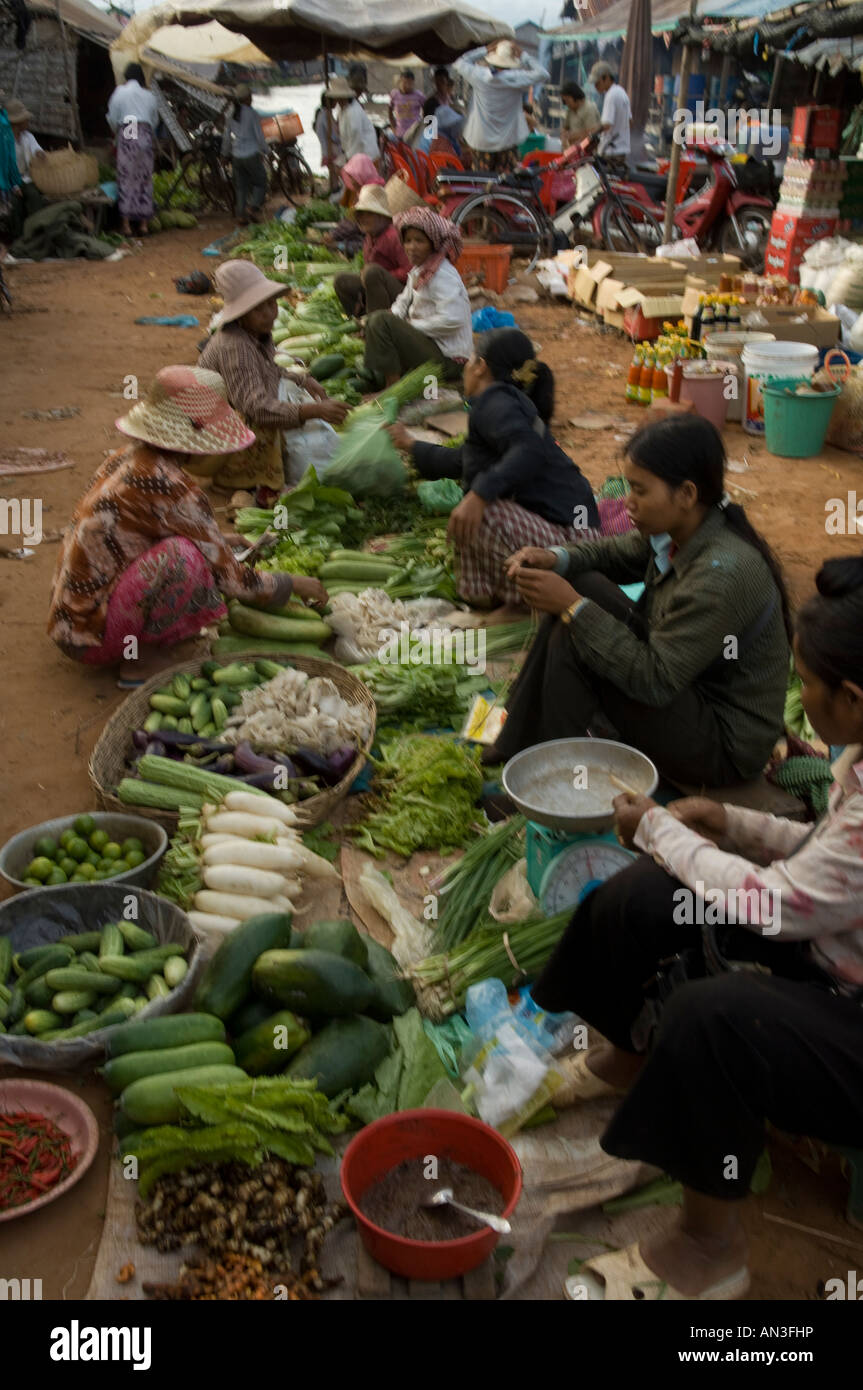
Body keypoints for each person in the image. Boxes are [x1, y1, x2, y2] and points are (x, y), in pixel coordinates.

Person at [529, 554, 863, 1301]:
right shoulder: (857, 757)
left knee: (715, 1022)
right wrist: (731, 822)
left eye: (805, 684)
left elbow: (772, 907)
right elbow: (827, 860)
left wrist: (659, 829)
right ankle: (625, 1058)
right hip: (832, 940)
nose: (799, 697)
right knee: (645, 897)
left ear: (851, 694)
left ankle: (708, 1252)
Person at [486, 415, 790, 786]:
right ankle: (517, 744)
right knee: (579, 586)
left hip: (721, 746)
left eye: (640, 491)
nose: (627, 503)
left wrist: (572, 607)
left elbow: (654, 681)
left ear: (687, 494)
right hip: (688, 691)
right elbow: (615, 553)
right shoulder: (685, 527)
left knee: (577, 626)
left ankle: (551, 782)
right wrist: (555, 558)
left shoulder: (721, 572)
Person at [47, 366, 327, 669]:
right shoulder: (174, 486)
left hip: (69, 621)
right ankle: (139, 661)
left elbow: (145, 529)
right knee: (186, 558)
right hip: (95, 637)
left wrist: (219, 540)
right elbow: (234, 583)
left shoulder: (127, 457)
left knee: (195, 549)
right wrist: (294, 583)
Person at [389, 329, 598, 621]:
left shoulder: (495, 402)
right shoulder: (502, 404)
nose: (465, 367)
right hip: (574, 523)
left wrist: (478, 496)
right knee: (474, 504)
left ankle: (526, 604)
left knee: (481, 513)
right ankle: (501, 595)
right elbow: (465, 460)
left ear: (480, 366)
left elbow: (530, 450)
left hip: (574, 538)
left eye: (470, 358)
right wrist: (412, 445)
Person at [197, 261, 349, 492]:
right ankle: (238, 477)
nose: (270, 313)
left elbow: (269, 371)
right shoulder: (235, 346)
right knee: (270, 421)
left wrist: (303, 379)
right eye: (259, 309)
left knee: (285, 403)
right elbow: (255, 406)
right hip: (210, 438)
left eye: (272, 304)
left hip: (225, 419)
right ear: (242, 313)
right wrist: (313, 411)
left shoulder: (255, 334)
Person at [363, 205, 473, 390]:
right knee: (379, 321)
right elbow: (403, 301)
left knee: (380, 322)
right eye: (407, 241)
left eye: (419, 241)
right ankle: (392, 379)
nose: (411, 247)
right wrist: (393, 316)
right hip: (430, 345)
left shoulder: (443, 275)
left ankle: (393, 388)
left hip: (449, 358)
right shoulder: (419, 270)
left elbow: (453, 319)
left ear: (433, 244)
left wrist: (410, 326)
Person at [454, 38, 549, 173]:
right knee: (506, 184)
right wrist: (524, 56)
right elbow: (543, 73)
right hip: (507, 142)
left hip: (481, 141)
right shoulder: (517, 78)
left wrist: (485, 50)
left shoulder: (479, 75)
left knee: (482, 183)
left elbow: (459, 62)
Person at [333, 183, 409, 319]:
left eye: (367, 214)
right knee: (341, 280)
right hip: (377, 288)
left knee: (371, 272)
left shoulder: (394, 236)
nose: (361, 218)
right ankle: (358, 319)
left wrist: (381, 275)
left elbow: (409, 272)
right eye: (360, 214)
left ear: (382, 216)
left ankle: (376, 324)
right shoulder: (369, 237)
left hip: (402, 294)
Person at [106, 63, 159, 238]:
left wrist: (117, 133)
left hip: (129, 128)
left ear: (127, 77)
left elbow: (113, 118)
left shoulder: (120, 92)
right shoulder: (149, 95)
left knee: (126, 177)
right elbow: (154, 121)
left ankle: (127, 226)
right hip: (145, 132)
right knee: (144, 177)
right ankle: (144, 225)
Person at [221, 84, 268, 226]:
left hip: (237, 155)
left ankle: (241, 216)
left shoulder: (230, 114)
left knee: (241, 187)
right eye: (250, 96)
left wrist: (224, 154)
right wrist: (266, 151)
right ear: (247, 98)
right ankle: (252, 207)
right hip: (251, 154)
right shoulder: (252, 114)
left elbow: (227, 137)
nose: (252, 99)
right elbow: (260, 137)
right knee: (261, 182)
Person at [588, 60, 632, 173]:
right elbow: (630, 122)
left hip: (611, 151)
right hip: (621, 150)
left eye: (597, 83)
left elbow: (606, 124)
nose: (596, 87)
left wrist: (590, 135)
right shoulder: (622, 92)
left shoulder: (611, 95)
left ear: (606, 78)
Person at [330, 76, 379, 167]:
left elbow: (357, 138)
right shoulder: (342, 111)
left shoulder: (353, 111)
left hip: (366, 156)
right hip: (355, 154)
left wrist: (347, 159)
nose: (338, 100)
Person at [313, 92, 343, 193]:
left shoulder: (323, 113)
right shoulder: (325, 115)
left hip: (327, 149)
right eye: (334, 100)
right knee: (335, 177)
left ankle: (334, 193)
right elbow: (334, 136)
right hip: (331, 150)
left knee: (334, 177)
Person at [389, 69, 424, 141]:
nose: (406, 86)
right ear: (400, 82)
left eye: (409, 83)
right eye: (404, 83)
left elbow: (427, 111)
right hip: (399, 133)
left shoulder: (419, 96)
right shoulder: (394, 94)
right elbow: (390, 110)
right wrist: (393, 127)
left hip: (414, 134)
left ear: (413, 83)